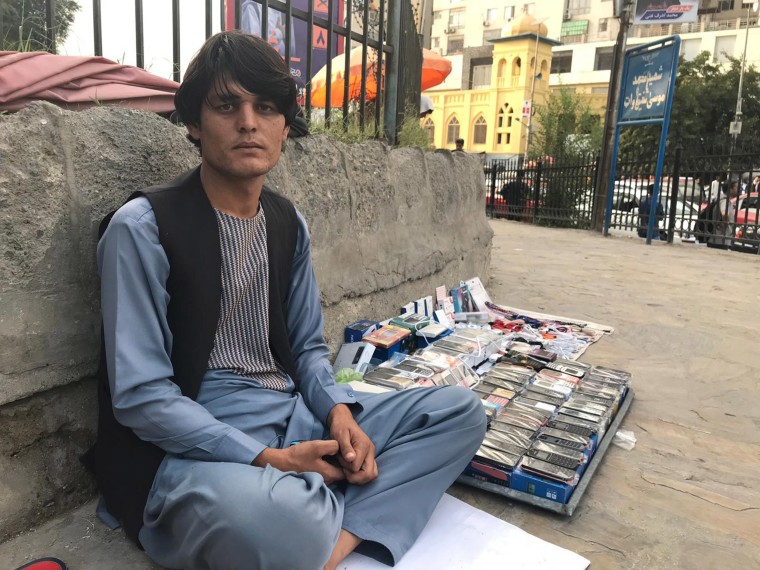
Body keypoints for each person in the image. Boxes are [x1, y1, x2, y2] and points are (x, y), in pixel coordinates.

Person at [88, 31, 486, 570]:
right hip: (194, 441)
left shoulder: (286, 223)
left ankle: (327, 538)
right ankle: (329, 521)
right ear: (194, 123)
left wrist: (338, 412)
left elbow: (306, 350)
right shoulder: (142, 229)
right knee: (277, 521)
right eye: (226, 106)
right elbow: (141, 397)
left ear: (283, 126)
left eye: (266, 107)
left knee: (458, 411)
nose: (248, 122)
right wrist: (267, 460)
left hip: (295, 415)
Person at [707, 179, 739, 249]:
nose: (738, 189)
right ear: (730, 189)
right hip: (720, 240)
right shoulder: (725, 200)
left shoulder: (720, 198)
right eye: (736, 187)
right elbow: (724, 213)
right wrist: (725, 225)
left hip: (717, 238)